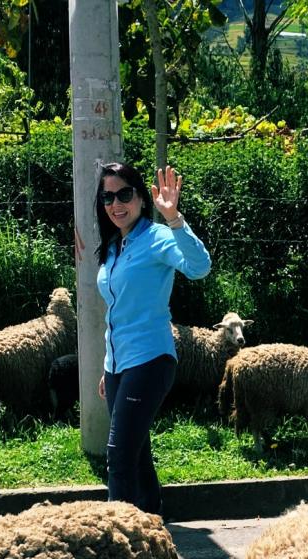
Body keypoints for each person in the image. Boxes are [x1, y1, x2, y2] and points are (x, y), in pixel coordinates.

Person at [74, 162, 211, 515]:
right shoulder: (113, 247)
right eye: (108, 196)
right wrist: (110, 368)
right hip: (120, 367)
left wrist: (175, 219)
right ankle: (155, 538)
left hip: (150, 360)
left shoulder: (157, 237)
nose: (116, 204)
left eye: (124, 194)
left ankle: (116, 547)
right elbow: (117, 316)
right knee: (138, 458)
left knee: (118, 457)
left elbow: (199, 267)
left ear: (139, 196)